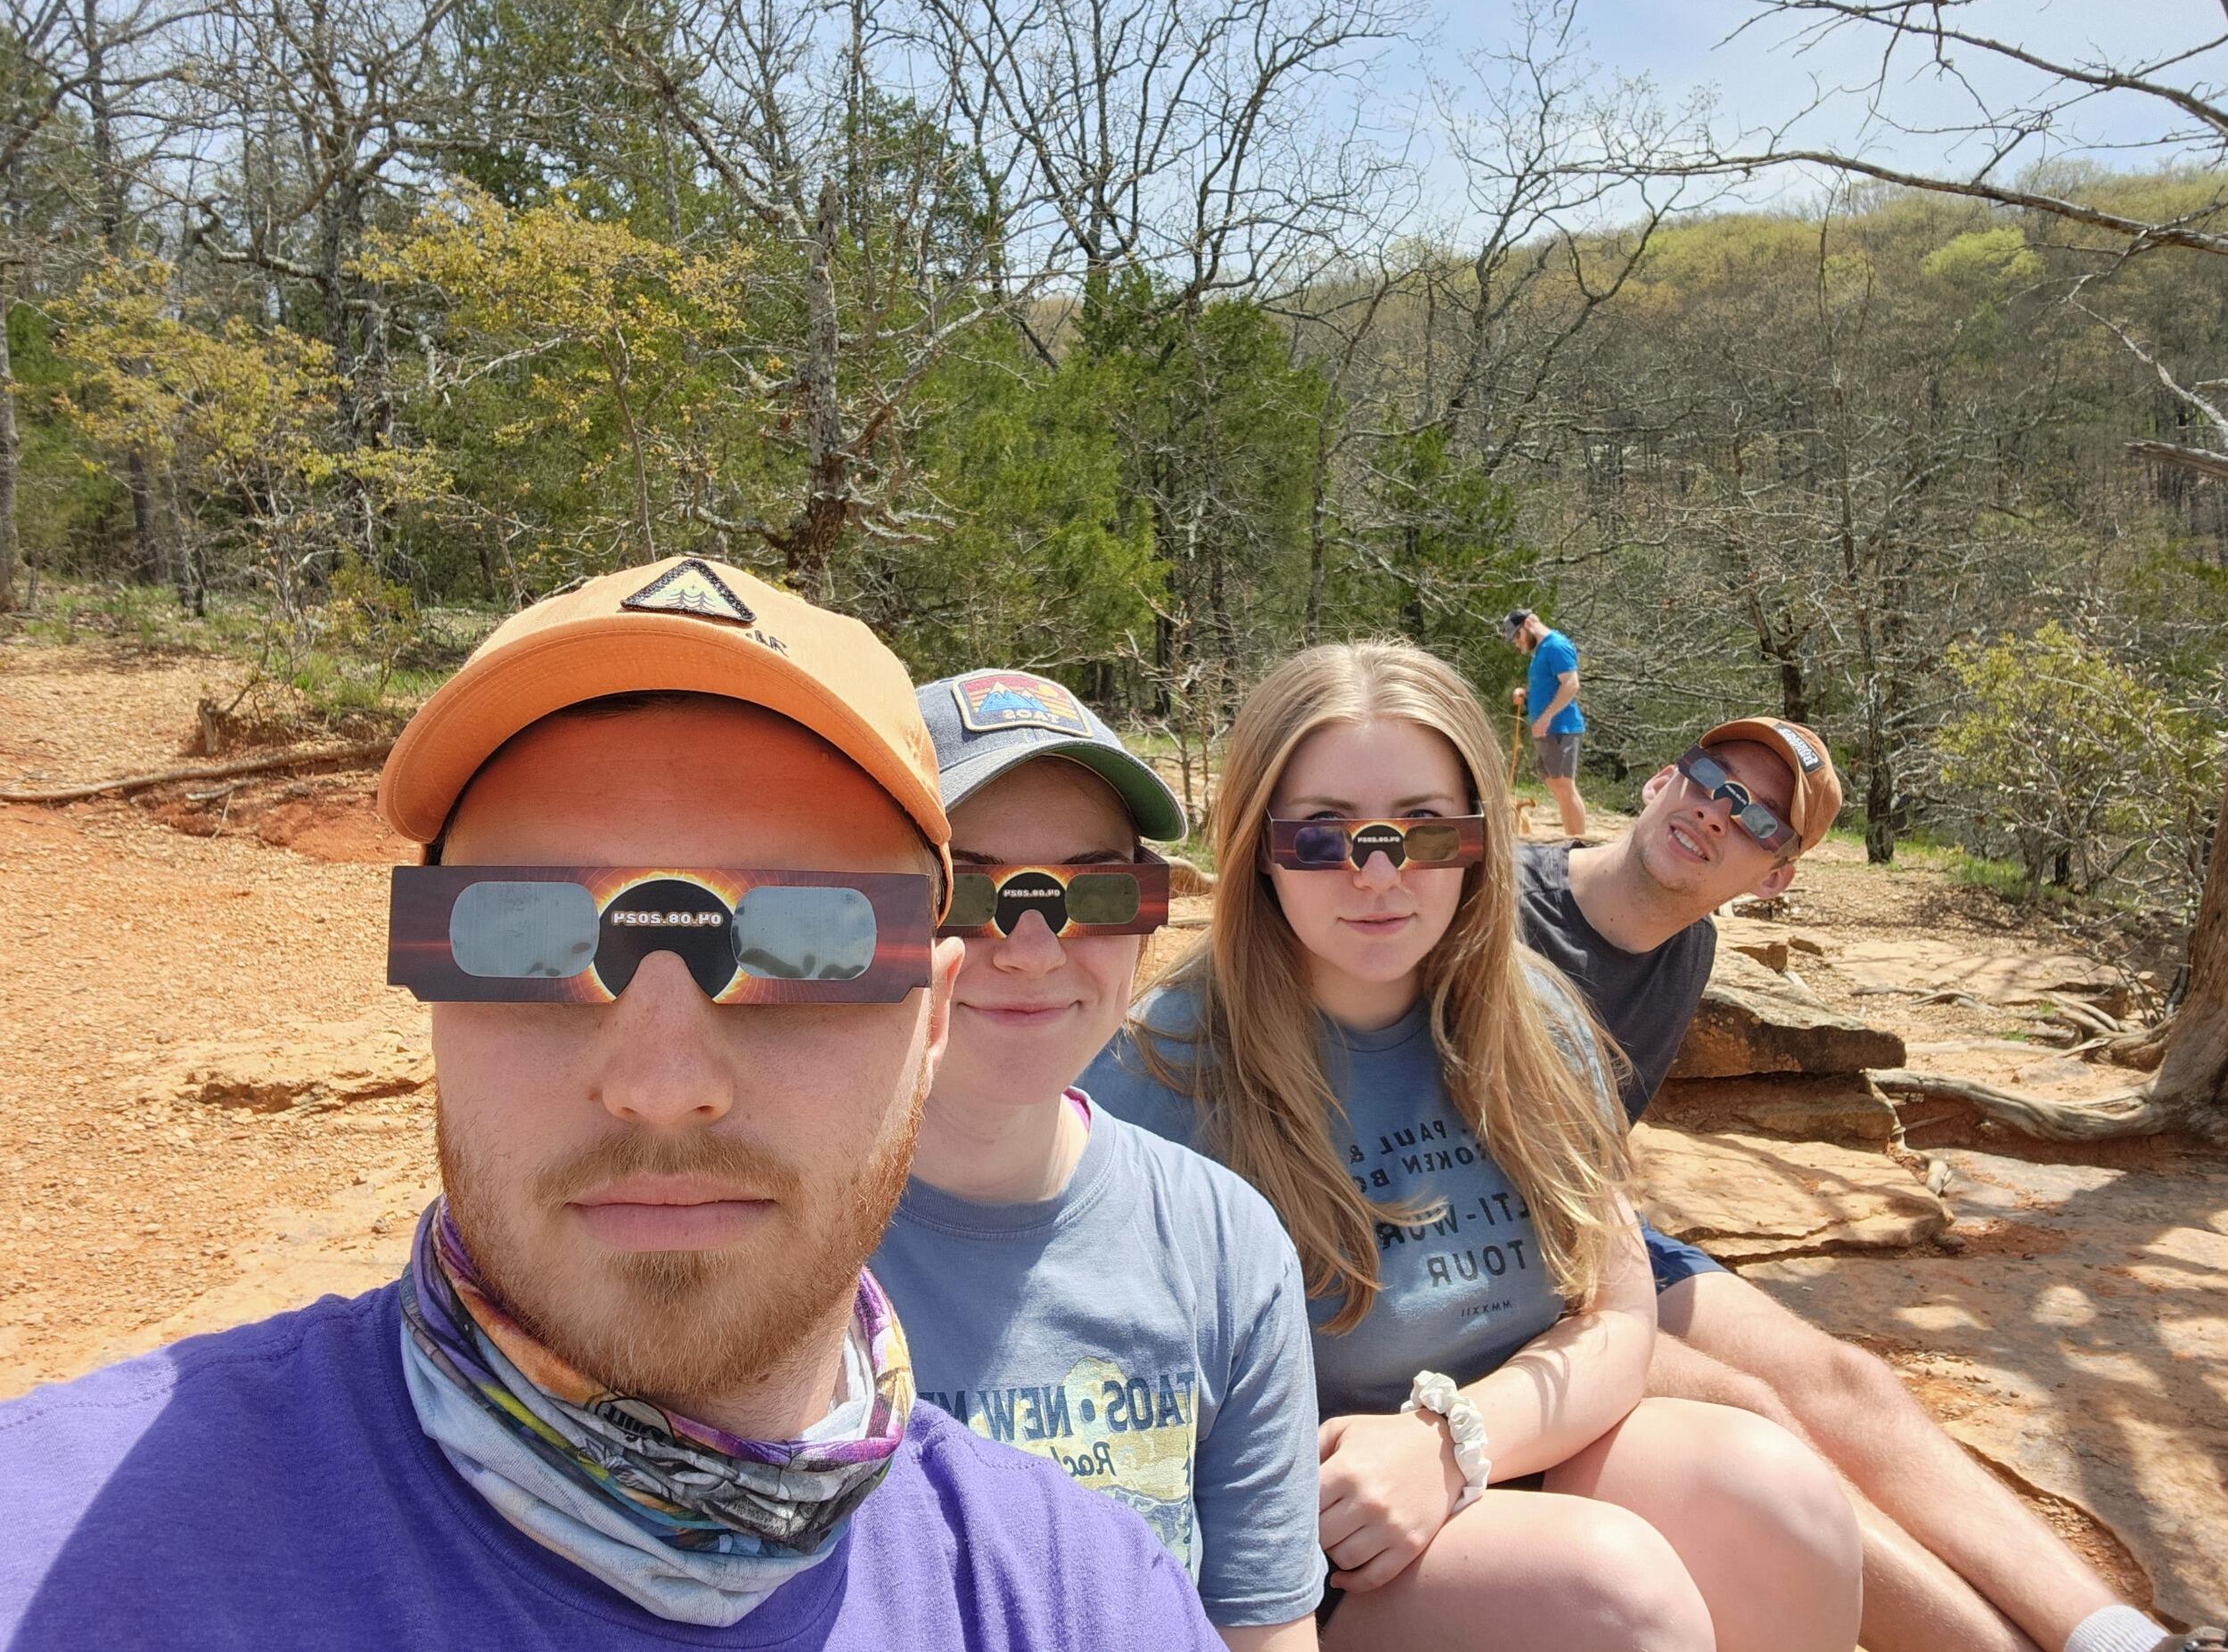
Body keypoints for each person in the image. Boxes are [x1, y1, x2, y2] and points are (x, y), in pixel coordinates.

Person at [0, 557, 1224, 1651]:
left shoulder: (1078, 1601)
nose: (660, 1080)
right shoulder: (51, 1553)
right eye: (527, 936)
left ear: (936, 1017)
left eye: (808, 942)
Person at [1085, 641, 1863, 1652]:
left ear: (1480, 841)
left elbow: (1619, 1314)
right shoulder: (1158, 1069)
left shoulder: (1532, 1020)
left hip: (1488, 1456)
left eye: (1422, 828)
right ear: (1259, 846)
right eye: (1322, 834)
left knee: (1780, 1500)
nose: (1377, 872)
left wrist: (1451, 1444)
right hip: (1297, 1556)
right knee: (1610, 1596)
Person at [1516, 716, 2225, 1652]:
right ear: (1659, 779)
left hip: (1589, 1230)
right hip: (1487, 1263)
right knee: (1751, 1413)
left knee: (1849, 1383)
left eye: (1761, 822)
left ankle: (2121, 1640)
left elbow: (1597, 1154)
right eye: (1710, 779)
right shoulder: (1498, 909)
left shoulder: (1687, 950)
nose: (1716, 813)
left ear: (1774, 878)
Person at [869, 670, 1323, 1648]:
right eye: (964, 891)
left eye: (1095, 890)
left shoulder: (1222, 1243)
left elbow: (1261, 1627)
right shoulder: (762, 1241)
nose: (1032, 950)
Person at [1504, 607, 1587, 839]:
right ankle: (1573, 839)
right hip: (1548, 728)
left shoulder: (1556, 646)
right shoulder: (1542, 651)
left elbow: (1571, 684)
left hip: (1561, 728)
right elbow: (1550, 687)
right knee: (1557, 787)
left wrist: (1546, 717)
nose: (1517, 644)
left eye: (1517, 636)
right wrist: (1527, 694)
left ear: (1528, 624)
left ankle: (1578, 842)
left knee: (1564, 787)